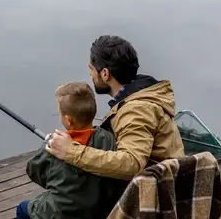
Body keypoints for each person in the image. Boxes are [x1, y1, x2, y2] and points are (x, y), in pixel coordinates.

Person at [14, 82, 122, 219]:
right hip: (98, 218)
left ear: (68, 120)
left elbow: (34, 171)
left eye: (60, 114)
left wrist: (48, 146)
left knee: (22, 210)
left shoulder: (58, 146)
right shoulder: (107, 139)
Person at [46, 35, 185, 180]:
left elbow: (131, 163)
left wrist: (71, 151)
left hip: (155, 193)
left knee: (27, 204)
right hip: (159, 182)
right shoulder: (141, 95)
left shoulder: (137, 109)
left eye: (92, 70)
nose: (90, 74)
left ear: (105, 74)